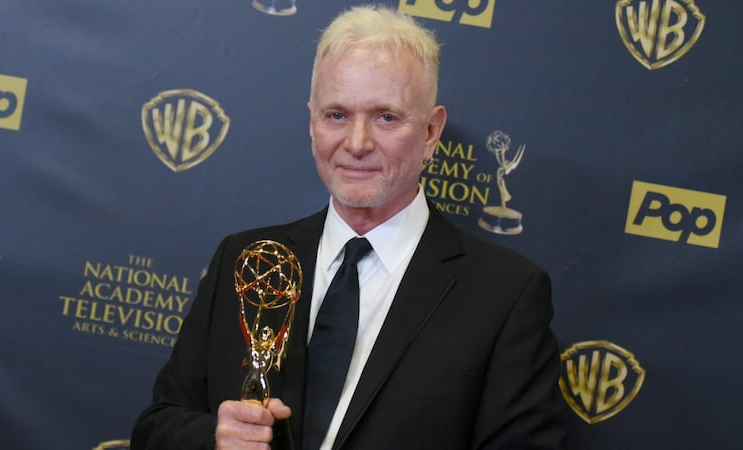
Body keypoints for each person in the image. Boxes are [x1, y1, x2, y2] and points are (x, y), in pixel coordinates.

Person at [131, 5, 566, 449]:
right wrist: (215, 439)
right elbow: (156, 427)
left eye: (386, 117)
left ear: (432, 131)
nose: (356, 143)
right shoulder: (245, 259)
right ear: (312, 122)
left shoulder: (505, 295)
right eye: (336, 115)